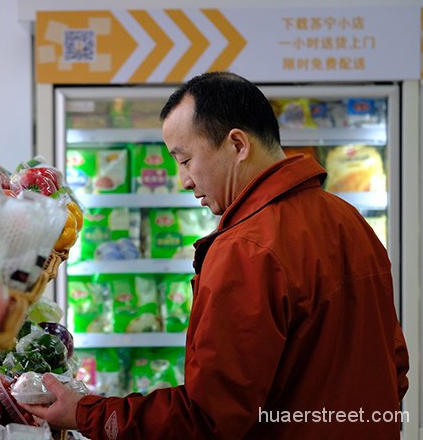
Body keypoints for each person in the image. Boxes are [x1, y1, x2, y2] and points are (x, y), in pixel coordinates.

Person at [23, 71, 409, 439]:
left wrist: (87, 413)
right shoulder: (350, 219)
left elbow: (208, 421)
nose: (184, 180)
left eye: (185, 159)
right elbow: (394, 367)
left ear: (238, 145)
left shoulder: (246, 249)